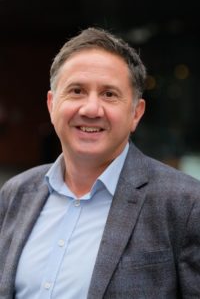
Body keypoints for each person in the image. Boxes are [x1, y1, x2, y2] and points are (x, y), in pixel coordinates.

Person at [0, 27, 200, 299]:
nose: (91, 109)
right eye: (77, 91)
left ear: (136, 113)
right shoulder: (15, 194)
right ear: (51, 104)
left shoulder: (185, 204)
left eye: (109, 94)